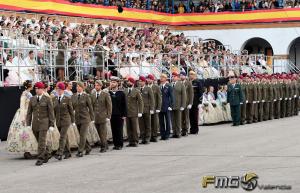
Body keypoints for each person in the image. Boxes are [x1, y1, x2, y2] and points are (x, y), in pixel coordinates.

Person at [6, 80, 38, 158]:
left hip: (30, 112)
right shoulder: (25, 94)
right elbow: (22, 105)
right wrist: (23, 117)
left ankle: (29, 150)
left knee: (30, 132)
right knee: (26, 132)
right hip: (25, 113)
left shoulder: (28, 93)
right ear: (30, 85)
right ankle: (26, 151)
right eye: (32, 84)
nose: (33, 86)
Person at [26, 81, 55, 166]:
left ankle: (40, 158)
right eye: (35, 88)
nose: (36, 90)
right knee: (39, 141)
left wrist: (51, 124)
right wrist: (28, 124)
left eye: (38, 88)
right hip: (35, 124)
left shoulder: (47, 99)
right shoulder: (32, 99)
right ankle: (47, 153)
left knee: (42, 141)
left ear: (42, 89)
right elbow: (29, 113)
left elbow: (51, 113)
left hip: (44, 123)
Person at [53, 82, 75, 160]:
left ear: (63, 90)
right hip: (58, 121)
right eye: (57, 89)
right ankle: (68, 152)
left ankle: (59, 153)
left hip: (66, 120)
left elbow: (71, 111)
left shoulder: (67, 98)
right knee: (65, 136)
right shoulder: (54, 99)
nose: (58, 91)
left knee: (62, 137)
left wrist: (73, 121)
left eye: (59, 89)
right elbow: (53, 111)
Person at [72, 82, 94, 157]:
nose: (78, 88)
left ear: (82, 87)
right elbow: (71, 107)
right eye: (77, 87)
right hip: (77, 118)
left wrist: (92, 118)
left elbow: (90, 108)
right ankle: (88, 147)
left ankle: (80, 151)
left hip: (85, 118)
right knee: (81, 135)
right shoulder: (73, 96)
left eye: (79, 86)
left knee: (82, 134)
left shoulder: (86, 96)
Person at [91, 80, 112, 153]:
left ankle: (103, 147)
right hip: (96, 117)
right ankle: (105, 144)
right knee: (99, 132)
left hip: (103, 116)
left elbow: (109, 106)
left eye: (97, 85)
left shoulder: (105, 94)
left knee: (103, 132)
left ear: (100, 86)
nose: (96, 86)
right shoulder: (93, 95)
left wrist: (108, 116)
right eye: (95, 85)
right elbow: (92, 106)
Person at [124, 77, 144, 147]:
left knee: (134, 128)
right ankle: (130, 141)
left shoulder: (136, 91)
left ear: (132, 83)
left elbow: (140, 102)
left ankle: (135, 141)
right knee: (128, 128)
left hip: (134, 112)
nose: (128, 83)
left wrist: (140, 112)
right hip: (127, 112)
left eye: (129, 81)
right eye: (127, 82)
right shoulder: (125, 91)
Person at [109, 76, 127, 150]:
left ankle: (120, 144)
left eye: (114, 82)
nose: (112, 83)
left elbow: (124, 104)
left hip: (119, 114)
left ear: (117, 84)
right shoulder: (109, 93)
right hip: (111, 114)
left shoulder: (121, 93)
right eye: (111, 82)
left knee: (119, 130)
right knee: (113, 129)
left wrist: (124, 114)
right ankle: (115, 144)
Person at [138, 76, 154, 144]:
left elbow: (152, 99)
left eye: (141, 81)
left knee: (147, 125)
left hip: (147, 109)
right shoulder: (138, 89)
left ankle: (147, 138)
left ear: (144, 82)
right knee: (141, 125)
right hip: (140, 110)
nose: (140, 82)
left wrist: (152, 108)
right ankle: (143, 138)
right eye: (139, 81)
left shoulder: (148, 89)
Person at [171, 72, 186, 138]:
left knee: (178, 120)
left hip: (178, 104)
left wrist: (183, 105)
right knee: (173, 120)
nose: (173, 78)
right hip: (172, 105)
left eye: (174, 76)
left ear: (177, 77)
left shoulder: (181, 84)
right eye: (172, 76)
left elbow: (184, 95)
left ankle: (178, 133)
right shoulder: (170, 84)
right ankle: (174, 132)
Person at [146, 74, 162, 142]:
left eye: (149, 79)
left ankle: (154, 136)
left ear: (152, 80)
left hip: (155, 107)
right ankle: (148, 136)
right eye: (147, 78)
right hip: (147, 108)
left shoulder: (156, 87)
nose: (148, 80)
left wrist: (158, 107)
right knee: (148, 123)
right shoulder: (145, 87)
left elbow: (159, 98)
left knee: (154, 122)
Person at [159, 73, 173, 140]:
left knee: (167, 121)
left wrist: (170, 105)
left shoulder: (169, 86)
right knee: (161, 121)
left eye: (162, 77)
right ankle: (162, 134)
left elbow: (171, 97)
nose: (161, 78)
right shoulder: (159, 86)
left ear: (165, 78)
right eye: (161, 77)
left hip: (167, 106)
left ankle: (167, 134)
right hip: (160, 106)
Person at [180, 71, 194, 136]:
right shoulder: (179, 83)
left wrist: (190, 103)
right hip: (180, 103)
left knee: (186, 117)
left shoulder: (188, 83)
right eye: (180, 75)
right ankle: (182, 129)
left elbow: (191, 94)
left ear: (185, 76)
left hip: (186, 102)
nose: (181, 76)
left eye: (182, 75)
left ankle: (186, 129)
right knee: (181, 117)